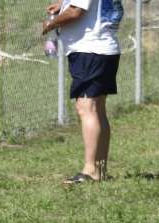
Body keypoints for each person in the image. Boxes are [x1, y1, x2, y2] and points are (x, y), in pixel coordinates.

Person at [41, 0, 122, 185]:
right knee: (98, 109)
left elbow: (76, 11)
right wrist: (63, 4)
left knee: (86, 108)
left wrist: (51, 24)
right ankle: (100, 169)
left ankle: (91, 170)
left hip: (90, 50)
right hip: (103, 49)